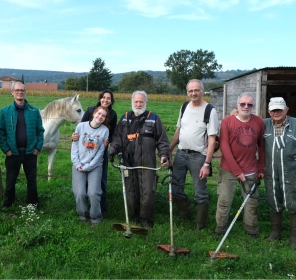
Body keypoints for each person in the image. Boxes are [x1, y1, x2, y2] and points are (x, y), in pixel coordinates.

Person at [109, 90, 169, 228]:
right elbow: (117, 137)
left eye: (141, 101)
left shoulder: (153, 119)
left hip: (147, 162)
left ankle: (146, 220)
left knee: (147, 191)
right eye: (136, 101)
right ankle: (134, 217)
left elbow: (162, 140)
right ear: (132, 102)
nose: (138, 104)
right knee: (131, 191)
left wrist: (164, 155)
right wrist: (113, 150)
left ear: (146, 102)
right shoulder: (124, 119)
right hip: (128, 162)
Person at [169, 79, 218, 231]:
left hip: (198, 157)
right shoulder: (184, 107)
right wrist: (170, 149)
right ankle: (185, 214)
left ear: (203, 91)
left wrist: (207, 164)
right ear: (187, 92)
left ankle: (200, 225)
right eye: (190, 91)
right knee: (176, 188)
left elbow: (212, 139)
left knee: (200, 192)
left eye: (196, 90)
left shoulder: (210, 110)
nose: (193, 93)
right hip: (181, 154)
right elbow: (179, 130)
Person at [214, 93, 265, 238]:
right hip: (229, 169)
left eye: (249, 104)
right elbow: (224, 146)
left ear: (253, 106)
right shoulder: (227, 121)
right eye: (243, 104)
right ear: (237, 105)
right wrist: (237, 171)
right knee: (224, 200)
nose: (246, 107)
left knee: (252, 202)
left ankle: (251, 230)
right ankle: (220, 228)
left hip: (251, 169)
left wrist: (261, 168)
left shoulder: (258, 122)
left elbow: (262, 147)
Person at [0, 82, 44, 208]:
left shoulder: (34, 111)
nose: (20, 92)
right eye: (17, 90)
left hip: (30, 152)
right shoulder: (5, 111)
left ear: (25, 92)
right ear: (12, 92)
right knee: (11, 180)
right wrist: (6, 149)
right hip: (13, 152)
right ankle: (9, 203)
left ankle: (32, 203)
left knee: (32, 180)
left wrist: (37, 148)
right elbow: (0, 131)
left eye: (22, 90)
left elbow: (40, 131)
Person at [71, 89, 117, 215]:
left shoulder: (113, 115)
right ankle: (84, 206)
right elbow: (80, 130)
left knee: (101, 181)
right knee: (82, 184)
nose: (105, 100)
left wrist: (108, 142)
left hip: (100, 151)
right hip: (84, 151)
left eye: (108, 98)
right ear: (100, 98)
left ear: (111, 101)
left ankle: (100, 207)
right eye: (104, 97)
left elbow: (111, 133)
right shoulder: (90, 110)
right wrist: (74, 136)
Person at [263, 97, 296, 249]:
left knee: (292, 201)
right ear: (269, 111)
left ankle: (294, 236)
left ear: (286, 109)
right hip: (271, 171)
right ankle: (276, 232)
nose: (276, 112)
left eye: (279, 109)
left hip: (291, 171)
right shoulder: (264, 125)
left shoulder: (295, 124)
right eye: (273, 110)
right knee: (273, 199)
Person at [71, 106, 109, 226]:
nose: (100, 117)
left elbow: (100, 152)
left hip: (95, 166)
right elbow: (75, 146)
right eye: (98, 114)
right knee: (79, 192)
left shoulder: (104, 131)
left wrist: (88, 167)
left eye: (103, 116)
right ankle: (83, 214)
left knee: (94, 193)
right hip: (79, 164)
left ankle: (95, 217)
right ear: (93, 114)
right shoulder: (81, 126)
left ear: (105, 119)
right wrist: (77, 164)